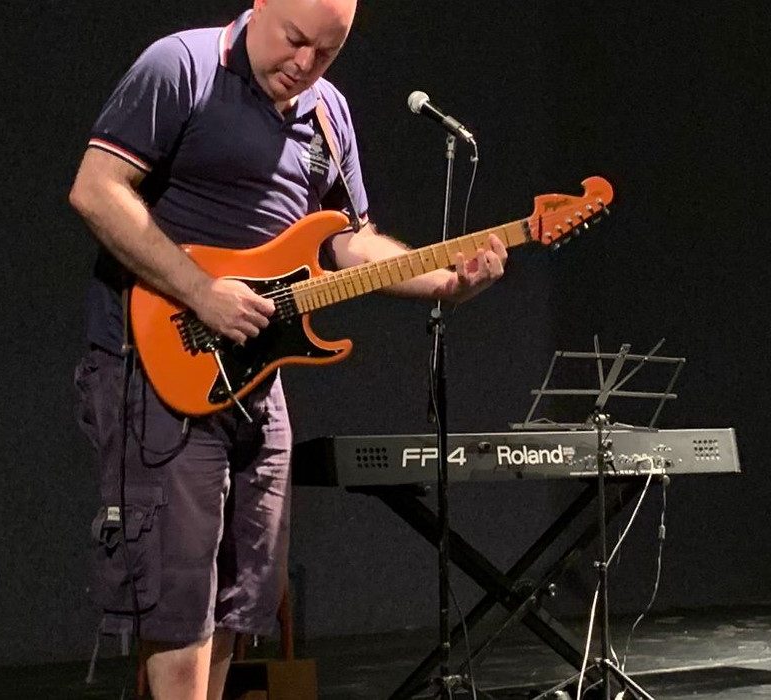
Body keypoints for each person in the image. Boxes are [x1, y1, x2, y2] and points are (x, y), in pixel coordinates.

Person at [69, 0, 507, 697]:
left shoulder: (328, 113)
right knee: (177, 593)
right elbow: (96, 190)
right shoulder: (181, 67)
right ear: (261, 5)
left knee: (245, 589)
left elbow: (348, 243)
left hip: (253, 374)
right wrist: (199, 289)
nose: (304, 65)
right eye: (295, 41)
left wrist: (446, 283)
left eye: (326, 53)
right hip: (157, 362)